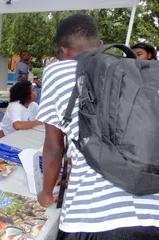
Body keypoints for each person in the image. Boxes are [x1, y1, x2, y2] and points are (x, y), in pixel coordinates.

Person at [36, 14, 159, 240]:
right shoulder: (132, 73)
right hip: (153, 211)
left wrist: (45, 192)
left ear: (63, 51)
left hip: (93, 217)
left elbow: (54, 148)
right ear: (101, 46)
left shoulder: (56, 71)